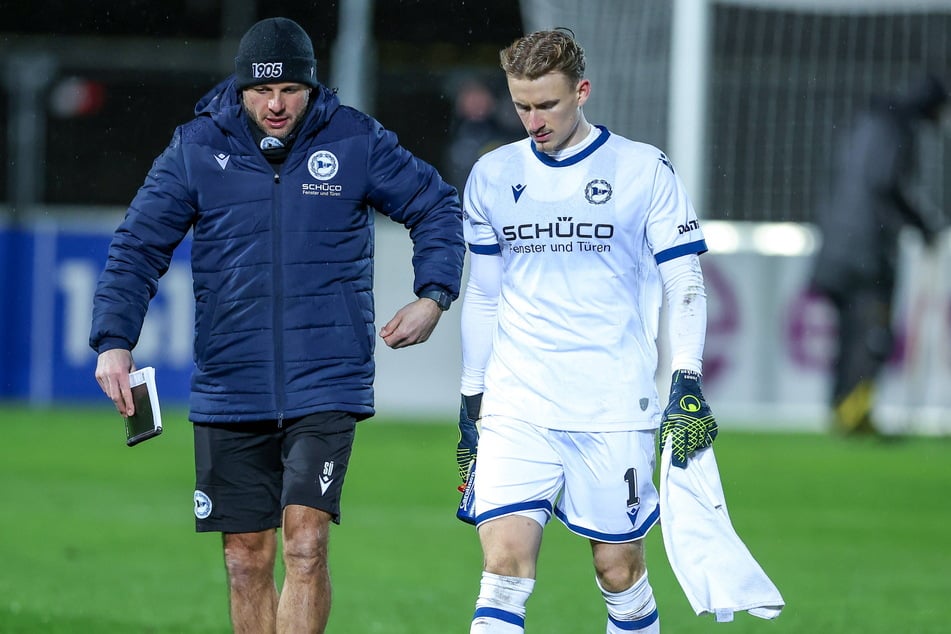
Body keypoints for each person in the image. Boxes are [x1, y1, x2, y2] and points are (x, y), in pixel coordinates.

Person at [90, 17, 464, 634]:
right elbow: (136, 246)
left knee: (306, 545)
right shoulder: (195, 147)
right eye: (262, 92)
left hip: (326, 378)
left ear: (312, 88)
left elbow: (436, 204)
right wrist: (113, 341)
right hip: (230, 383)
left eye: (290, 90)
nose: (275, 104)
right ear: (240, 90)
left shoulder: (354, 140)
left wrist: (434, 294)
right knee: (244, 559)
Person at [454, 29, 718, 633]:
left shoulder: (642, 168)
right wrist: (474, 395)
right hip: (517, 403)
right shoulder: (493, 175)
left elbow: (686, 285)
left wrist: (687, 380)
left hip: (612, 403)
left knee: (618, 571)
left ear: (582, 91)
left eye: (547, 104)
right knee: (503, 568)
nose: (533, 120)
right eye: (522, 105)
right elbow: (485, 294)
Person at [811, 74, 948, 437]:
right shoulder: (897, 130)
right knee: (872, 332)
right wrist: (923, 224)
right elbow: (886, 183)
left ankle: (841, 408)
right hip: (867, 250)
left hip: (834, 244)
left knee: (847, 331)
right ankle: (855, 411)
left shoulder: (864, 122)